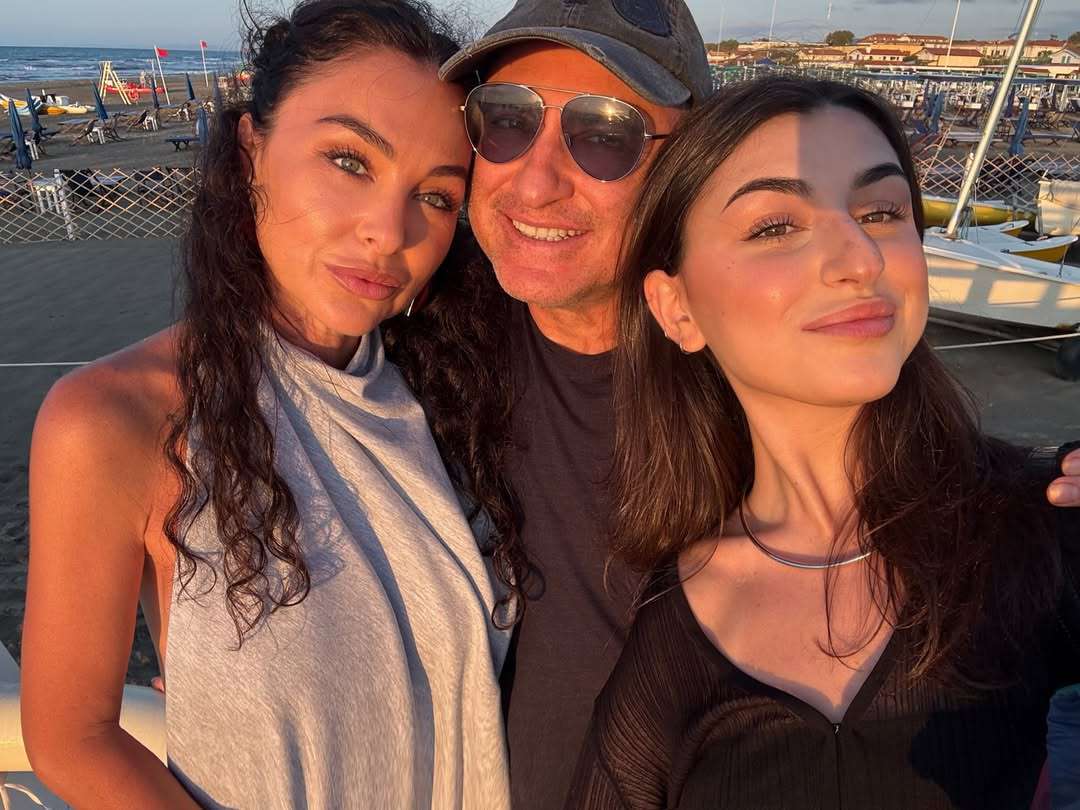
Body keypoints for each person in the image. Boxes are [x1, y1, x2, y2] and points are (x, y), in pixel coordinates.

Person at [385, 3, 1080, 808]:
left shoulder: (780, 375)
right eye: (505, 121)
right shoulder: (421, 353)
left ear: (689, 170)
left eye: (604, 134)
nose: (534, 181)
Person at [21, 1, 511, 808]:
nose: (389, 231)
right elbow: (72, 735)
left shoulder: (454, 394)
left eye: (435, 197)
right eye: (350, 161)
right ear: (253, 150)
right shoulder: (118, 418)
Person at [565, 76, 1080, 810]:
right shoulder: (669, 636)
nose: (860, 258)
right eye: (776, 226)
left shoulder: (1046, 525)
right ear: (675, 308)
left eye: (882, 212)